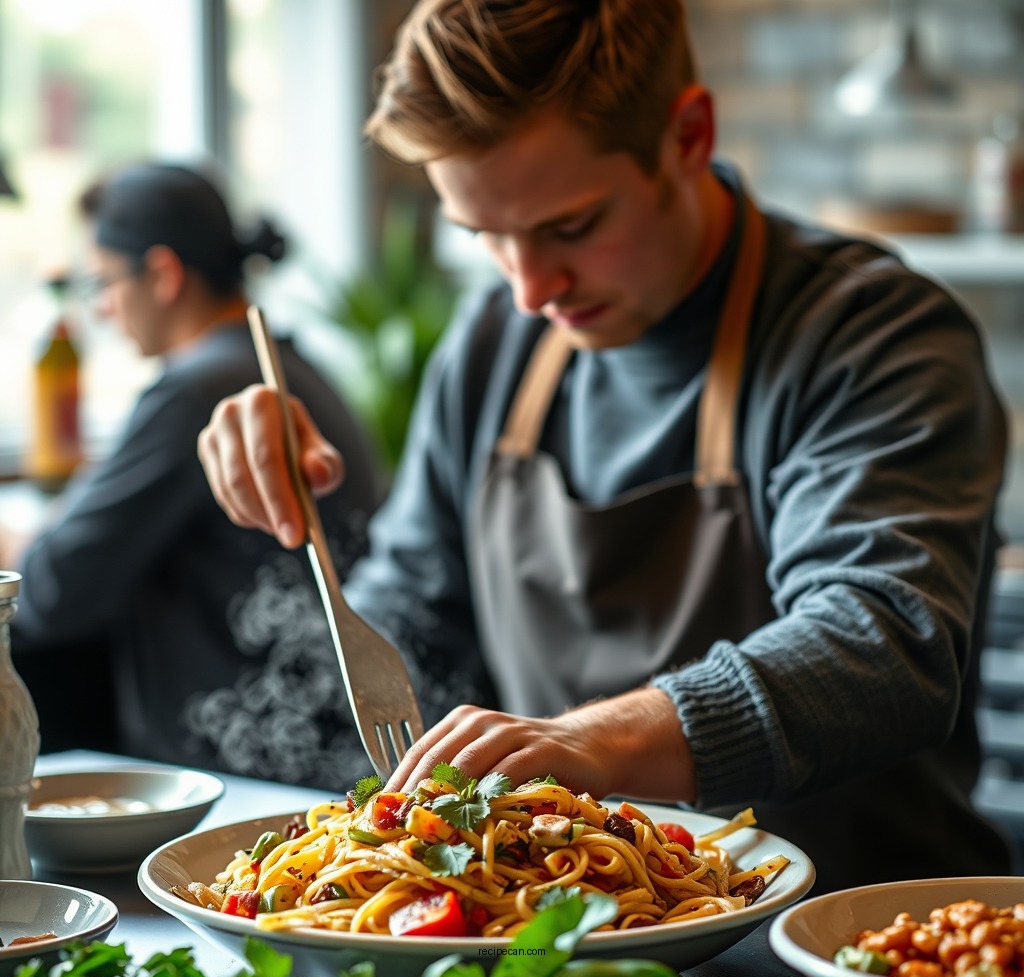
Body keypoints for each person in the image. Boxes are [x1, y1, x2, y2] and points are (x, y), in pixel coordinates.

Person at [196, 0, 1013, 892]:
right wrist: (302, 521)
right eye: (485, 237)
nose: (529, 290)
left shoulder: (870, 334)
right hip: (565, 947)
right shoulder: (491, 348)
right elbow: (419, 627)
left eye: (571, 227)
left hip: (850, 945)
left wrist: (591, 741)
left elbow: (882, 642)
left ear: (689, 135)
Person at [0, 162, 383, 787]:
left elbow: (47, 592)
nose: (99, 309)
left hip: (255, 768)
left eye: (103, 283)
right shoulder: (281, 363)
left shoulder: (197, 388)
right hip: (339, 742)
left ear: (163, 274)